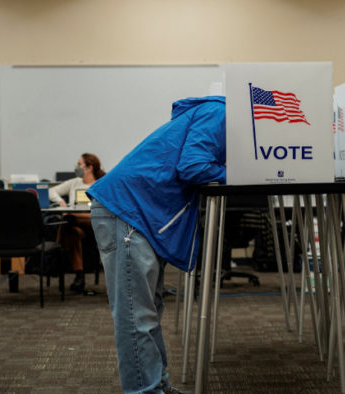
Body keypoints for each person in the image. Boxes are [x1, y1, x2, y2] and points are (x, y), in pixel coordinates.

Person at [88, 96, 225, 394]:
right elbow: (194, 166)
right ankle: (145, 391)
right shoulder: (219, 112)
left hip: (137, 213)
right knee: (136, 315)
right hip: (127, 211)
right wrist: (241, 174)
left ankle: (158, 385)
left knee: (149, 311)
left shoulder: (214, 113)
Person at [48, 153, 105, 293]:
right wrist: (60, 201)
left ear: (89, 167)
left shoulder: (101, 183)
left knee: (70, 218)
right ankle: (80, 277)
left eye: (79, 164)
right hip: (77, 227)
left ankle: (55, 253)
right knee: (72, 231)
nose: (76, 167)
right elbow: (51, 191)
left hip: (96, 224)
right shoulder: (74, 182)